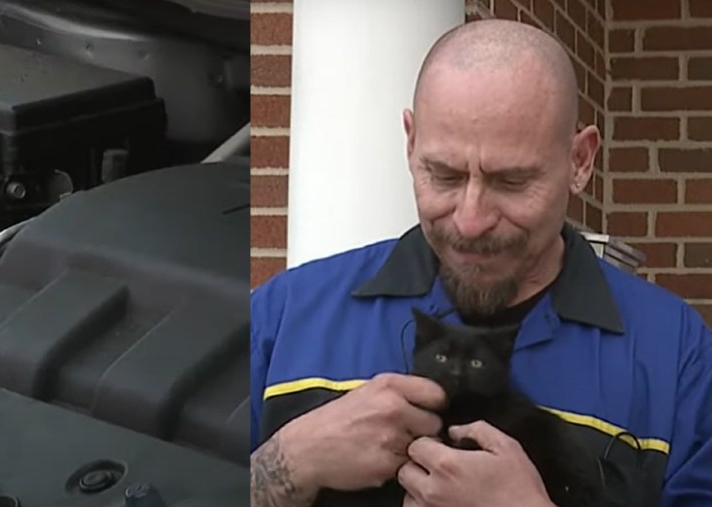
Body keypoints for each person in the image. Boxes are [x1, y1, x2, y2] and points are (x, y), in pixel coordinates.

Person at [249, 18, 712, 507]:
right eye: (444, 175)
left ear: (579, 161)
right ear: (411, 145)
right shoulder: (282, 316)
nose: (470, 221)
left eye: (511, 182)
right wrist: (287, 462)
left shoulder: (675, 355)